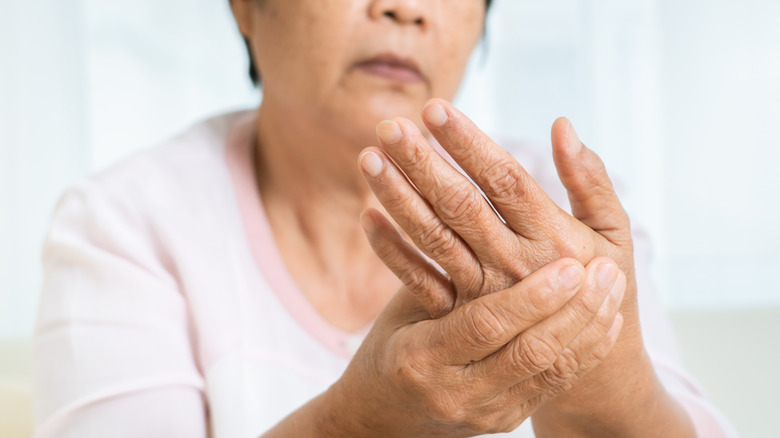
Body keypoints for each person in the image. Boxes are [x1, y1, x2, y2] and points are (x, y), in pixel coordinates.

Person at [33, 0, 736, 436]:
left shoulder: (565, 213)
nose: (406, 8)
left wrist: (613, 391)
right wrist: (364, 423)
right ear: (246, 7)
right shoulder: (125, 223)